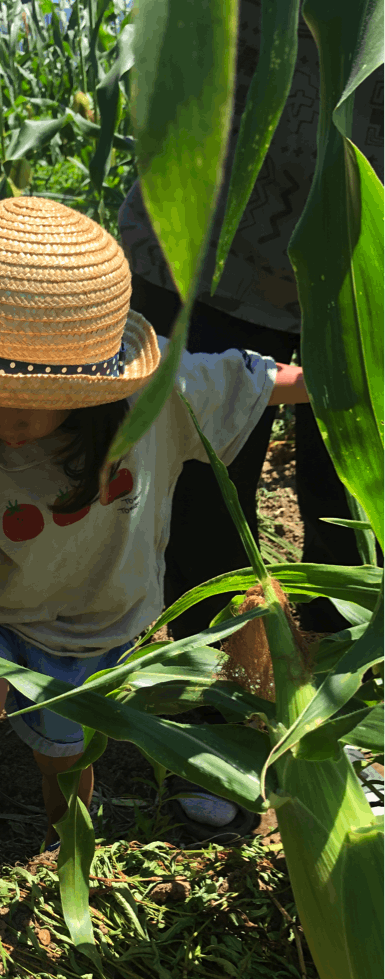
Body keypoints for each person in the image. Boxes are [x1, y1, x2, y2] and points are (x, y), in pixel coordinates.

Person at [0, 197, 309, 891]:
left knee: (65, 750)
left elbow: (244, 377)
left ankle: (63, 827)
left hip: (90, 620)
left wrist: (326, 379)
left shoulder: (151, 401)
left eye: (36, 396)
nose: (6, 416)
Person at [118, 0, 384, 637]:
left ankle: (336, 677)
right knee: (198, 493)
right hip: (210, 240)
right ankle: (222, 682)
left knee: (357, 499)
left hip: (364, 253)